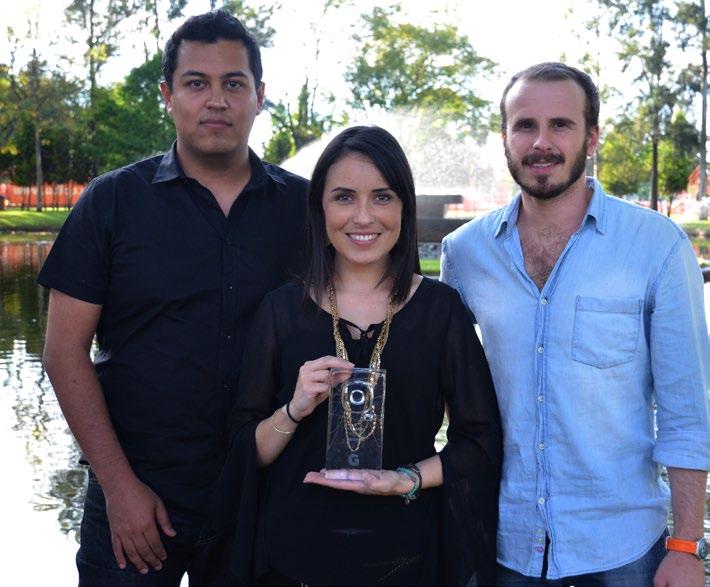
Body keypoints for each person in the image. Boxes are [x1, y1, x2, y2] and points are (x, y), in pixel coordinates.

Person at [38, 10, 308, 586]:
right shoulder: (112, 202)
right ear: (168, 95)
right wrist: (118, 486)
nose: (216, 101)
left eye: (233, 83)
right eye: (196, 83)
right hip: (137, 495)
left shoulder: (306, 210)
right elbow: (63, 353)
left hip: (262, 493)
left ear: (259, 96)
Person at [441, 62, 710, 586]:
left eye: (560, 125)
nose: (541, 143)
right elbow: (449, 388)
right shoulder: (465, 253)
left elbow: (686, 412)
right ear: (504, 138)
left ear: (591, 137)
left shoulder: (656, 246)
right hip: (503, 543)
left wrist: (685, 546)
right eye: (525, 125)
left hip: (622, 550)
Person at [213, 125, 502, 586]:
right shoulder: (281, 311)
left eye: (382, 197)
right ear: (320, 208)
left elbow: (479, 442)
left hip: (403, 556)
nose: (363, 217)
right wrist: (293, 409)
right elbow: (247, 451)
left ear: (404, 207)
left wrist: (405, 479)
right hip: (293, 557)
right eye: (344, 197)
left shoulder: (440, 311)